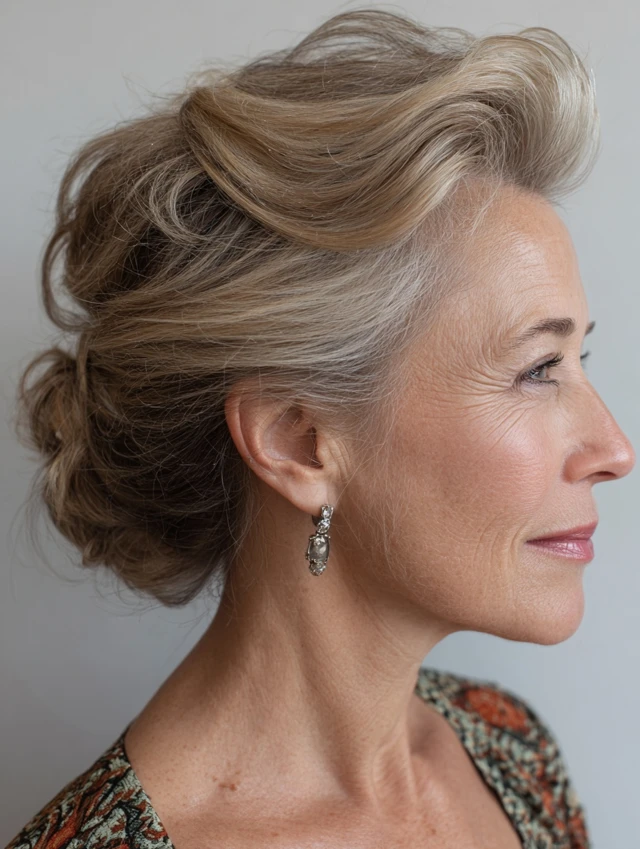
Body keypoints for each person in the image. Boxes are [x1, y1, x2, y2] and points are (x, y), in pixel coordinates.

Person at [6, 8, 635, 849]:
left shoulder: (507, 748)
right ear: (298, 441)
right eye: (537, 369)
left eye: (577, 358)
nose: (614, 450)